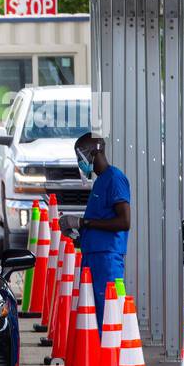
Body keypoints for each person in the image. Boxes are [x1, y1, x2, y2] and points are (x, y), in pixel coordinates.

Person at [64, 132, 130, 327]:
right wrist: (77, 234)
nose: (79, 161)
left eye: (80, 155)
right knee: (94, 316)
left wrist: (84, 223)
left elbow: (124, 221)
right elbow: (100, 220)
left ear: (93, 152)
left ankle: (110, 356)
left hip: (107, 260)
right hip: (93, 257)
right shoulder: (100, 181)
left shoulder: (115, 179)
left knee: (108, 315)